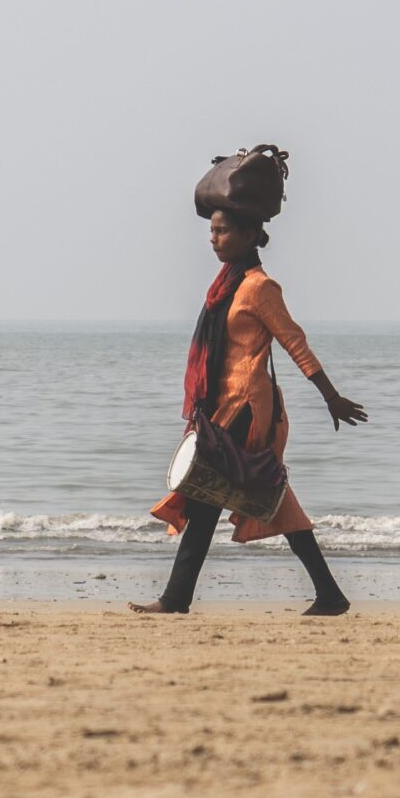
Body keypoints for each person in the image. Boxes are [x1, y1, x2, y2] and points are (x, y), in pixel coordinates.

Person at [134, 207, 367, 616]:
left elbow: (295, 343)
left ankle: (175, 598)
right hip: (221, 406)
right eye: (211, 230)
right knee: (252, 494)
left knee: (209, 493)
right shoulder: (225, 287)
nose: (213, 238)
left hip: (247, 409)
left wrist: (330, 396)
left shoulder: (261, 288)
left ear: (247, 235)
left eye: (222, 231)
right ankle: (329, 594)